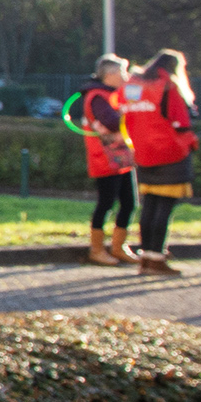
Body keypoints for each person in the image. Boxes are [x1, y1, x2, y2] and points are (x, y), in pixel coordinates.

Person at [117, 49, 198, 276]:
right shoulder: (168, 86)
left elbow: (124, 113)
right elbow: (181, 121)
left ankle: (146, 256)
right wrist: (189, 141)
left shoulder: (134, 86)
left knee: (150, 204)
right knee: (164, 205)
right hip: (170, 152)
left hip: (143, 152)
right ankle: (156, 257)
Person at [70, 54, 136, 266]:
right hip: (106, 158)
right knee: (106, 203)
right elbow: (111, 121)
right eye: (123, 72)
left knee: (129, 202)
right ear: (110, 74)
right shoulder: (98, 96)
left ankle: (118, 247)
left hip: (122, 158)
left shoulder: (112, 94)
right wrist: (134, 114)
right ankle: (97, 249)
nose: (126, 76)